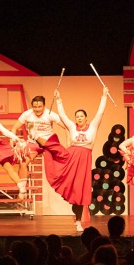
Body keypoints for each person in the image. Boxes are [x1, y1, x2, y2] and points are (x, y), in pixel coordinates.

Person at [49, 86, 109, 232]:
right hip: (72, 159)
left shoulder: (93, 126)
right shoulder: (72, 127)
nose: (79, 118)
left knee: (81, 191)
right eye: (77, 116)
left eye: (81, 116)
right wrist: (59, 100)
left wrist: (104, 96)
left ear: (86, 118)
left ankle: (78, 220)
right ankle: (77, 220)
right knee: (73, 190)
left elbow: (100, 112)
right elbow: (62, 115)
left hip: (84, 161)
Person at [12, 95, 68, 194]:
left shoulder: (50, 114)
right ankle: (22, 189)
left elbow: (67, 127)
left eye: (39, 107)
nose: (37, 109)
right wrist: (12, 142)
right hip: (34, 143)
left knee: (59, 164)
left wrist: (69, 144)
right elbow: (14, 128)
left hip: (48, 143)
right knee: (22, 163)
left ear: (44, 106)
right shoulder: (27, 114)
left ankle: (64, 185)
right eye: (35, 107)